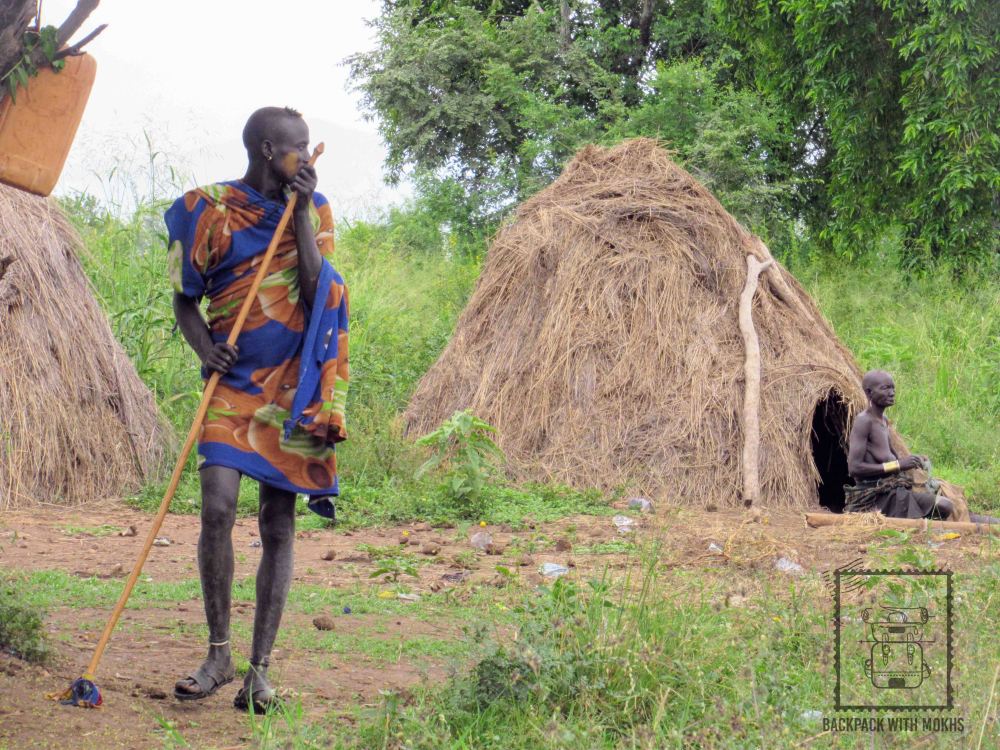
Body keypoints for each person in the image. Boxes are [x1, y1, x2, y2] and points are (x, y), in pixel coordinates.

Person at [164, 106, 348, 712]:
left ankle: (259, 671)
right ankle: (218, 652)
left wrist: (299, 214)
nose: (308, 155)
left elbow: (319, 281)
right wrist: (205, 348)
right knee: (216, 506)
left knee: (277, 523)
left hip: (293, 386)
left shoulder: (314, 210)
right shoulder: (208, 209)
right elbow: (183, 300)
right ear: (269, 150)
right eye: (299, 147)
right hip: (234, 382)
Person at [846, 370, 997, 523]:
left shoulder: (883, 420)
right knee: (944, 505)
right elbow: (854, 468)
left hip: (893, 491)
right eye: (885, 388)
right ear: (869, 392)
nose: (892, 393)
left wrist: (913, 461)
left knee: (950, 503)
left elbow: (892, 461)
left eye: (893, 388)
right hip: (875, 498)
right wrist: (898, 465)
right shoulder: (864, 421)